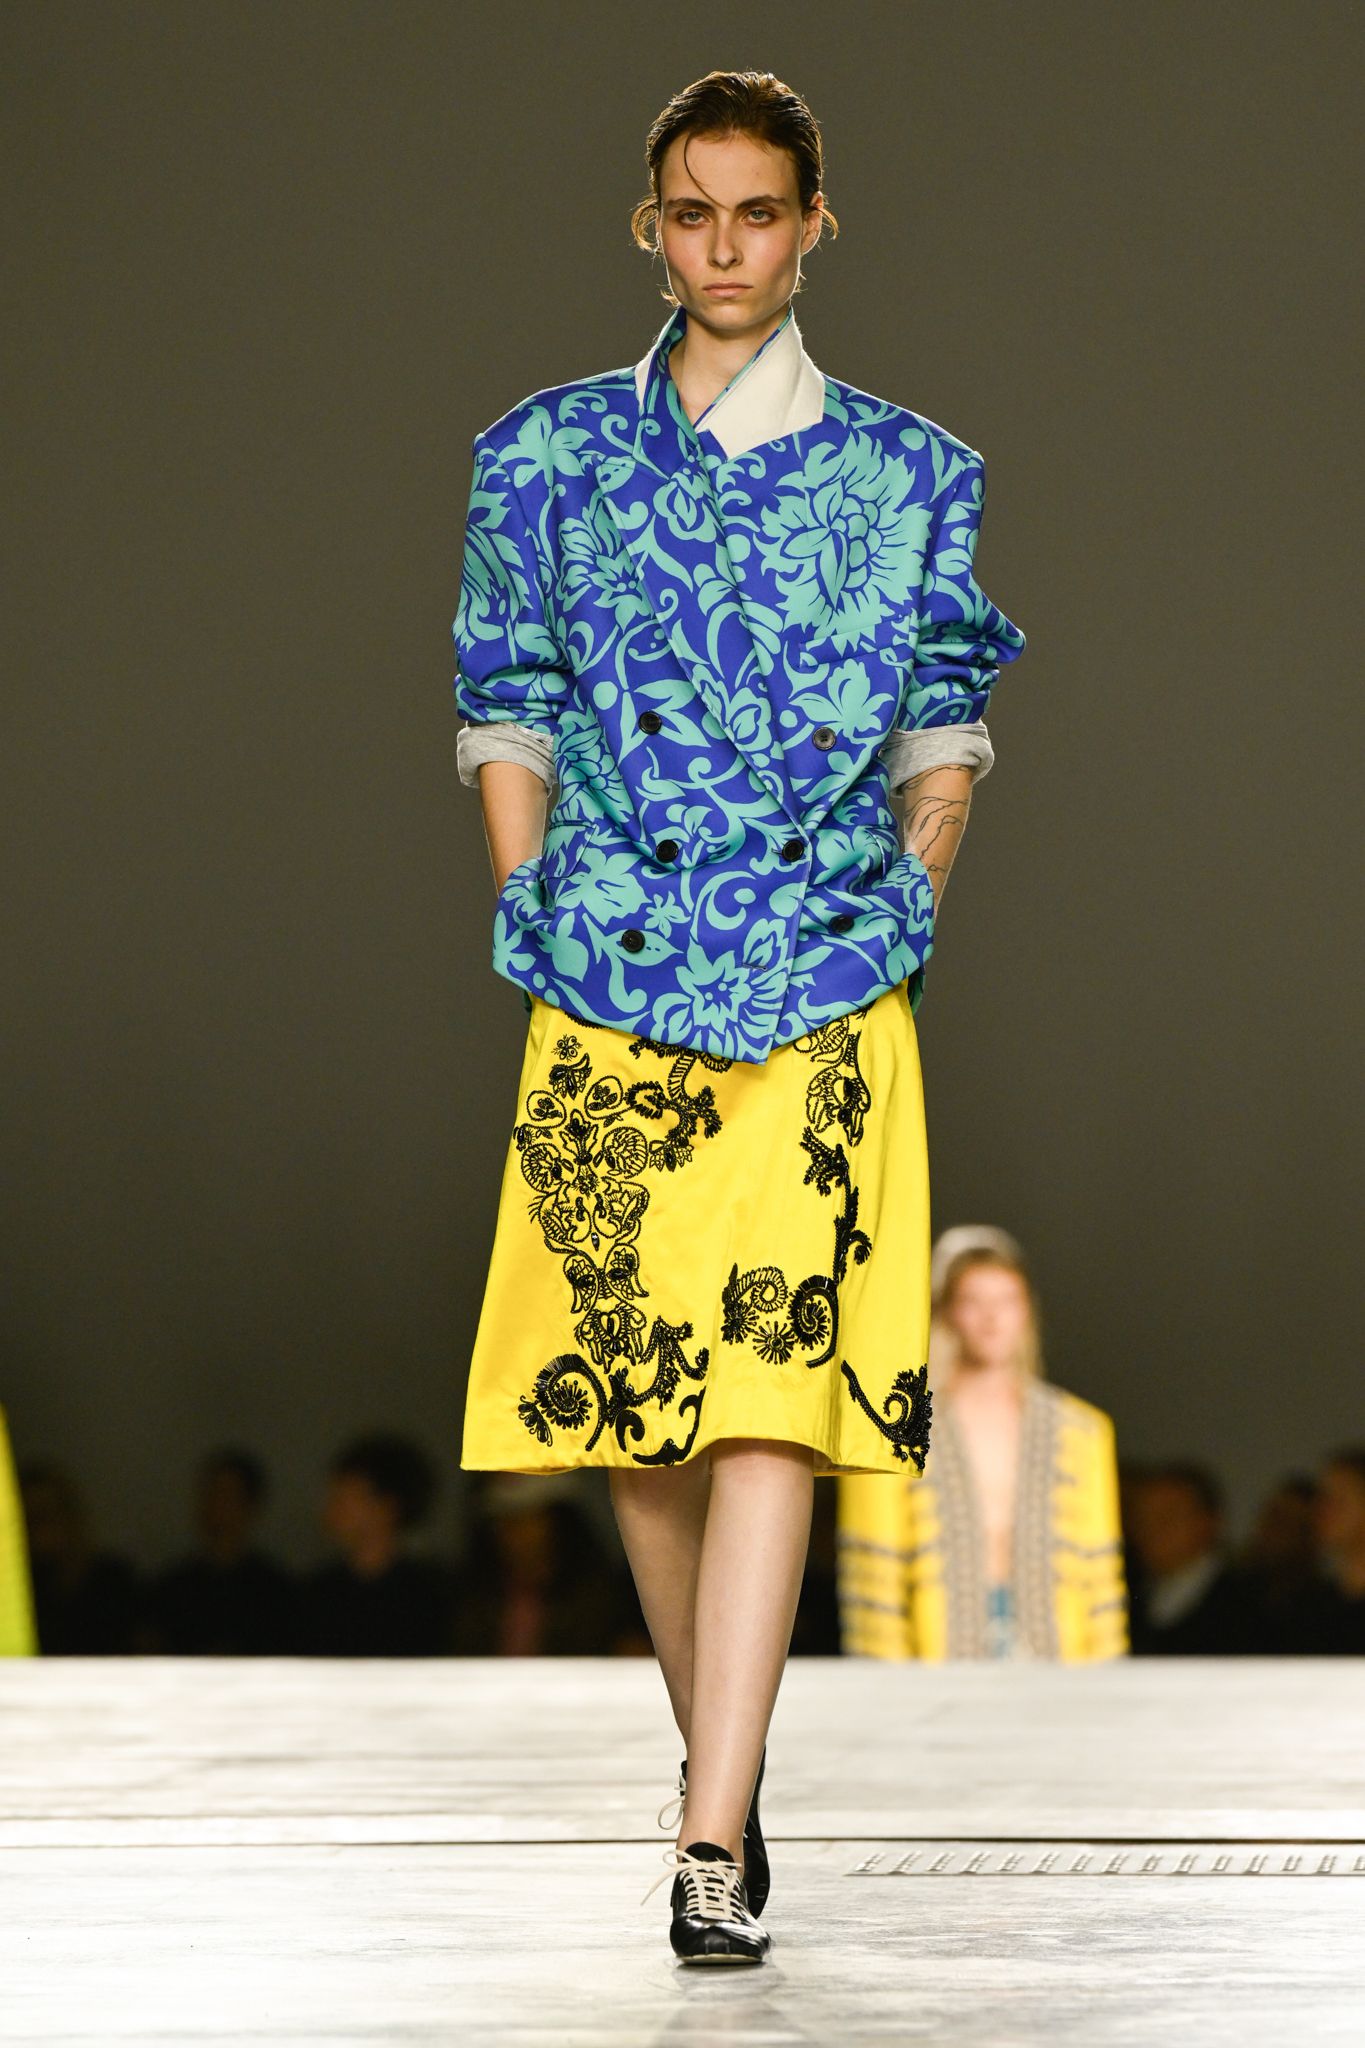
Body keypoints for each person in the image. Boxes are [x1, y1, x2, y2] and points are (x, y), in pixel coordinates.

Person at [450, 70, 1025, 1964]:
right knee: (638, 1410)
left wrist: (908, 894)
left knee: (772, 1387)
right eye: (691, 213)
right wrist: (528, 898)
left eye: (757, 212)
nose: (723, 247)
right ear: (653, 225)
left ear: (810, 224)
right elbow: (507, 693)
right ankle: (730, 1749)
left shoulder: (910, 474)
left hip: (819, 975)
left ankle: (708, 1834)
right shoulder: (542, 455)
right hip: (606, 968)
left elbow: (944, 720)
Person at [837, 1238, 1128, 1660]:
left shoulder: (1081, 1430)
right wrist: (886, 1680)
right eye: (974, 1301)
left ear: (1027, 1310)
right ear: (947, 1311)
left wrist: (1105, 1678)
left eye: (1007, 1300)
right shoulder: (896, 1427)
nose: (992, 1319)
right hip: (933, 1657)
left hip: (1060, 1656)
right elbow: (874, 1576)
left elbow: (1100, 1577)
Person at [298, 1432, 456, 1657]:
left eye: (344, 1498)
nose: (330, 1510)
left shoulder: (429, 1597)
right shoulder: (318, 1594)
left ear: (387, 1507)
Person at [141, 1448, 301, 1655]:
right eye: (210, 1494)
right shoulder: (172, 1588)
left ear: (251, 1506)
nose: (215, 1506)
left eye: (226, 1496)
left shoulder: (275, 1592)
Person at [1126, 1462, 1259, 1655]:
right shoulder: (1127, 1594)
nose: (1151, 1530)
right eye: (1142, 1519)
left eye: (1167, 1517)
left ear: (1208, 1522)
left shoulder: (1247, 1607)